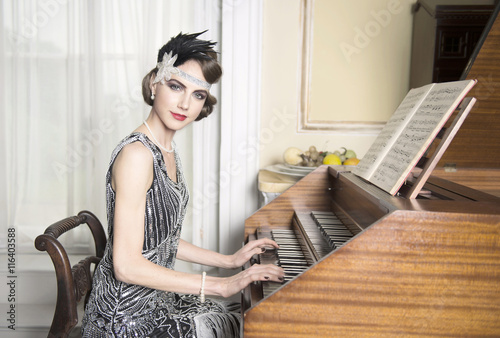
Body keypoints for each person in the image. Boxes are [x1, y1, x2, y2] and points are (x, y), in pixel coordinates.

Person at [81, 31, 284, 337]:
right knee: (240, 322)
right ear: (154, 83)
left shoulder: (166, 150)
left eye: (198, 94)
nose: (185, 103)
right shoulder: (137, 155)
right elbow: (126, 266)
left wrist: (228, 261)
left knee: (238, 317)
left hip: (155, 301)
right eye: (176, 86)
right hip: (125, 318)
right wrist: (221, 284)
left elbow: (161, 240)